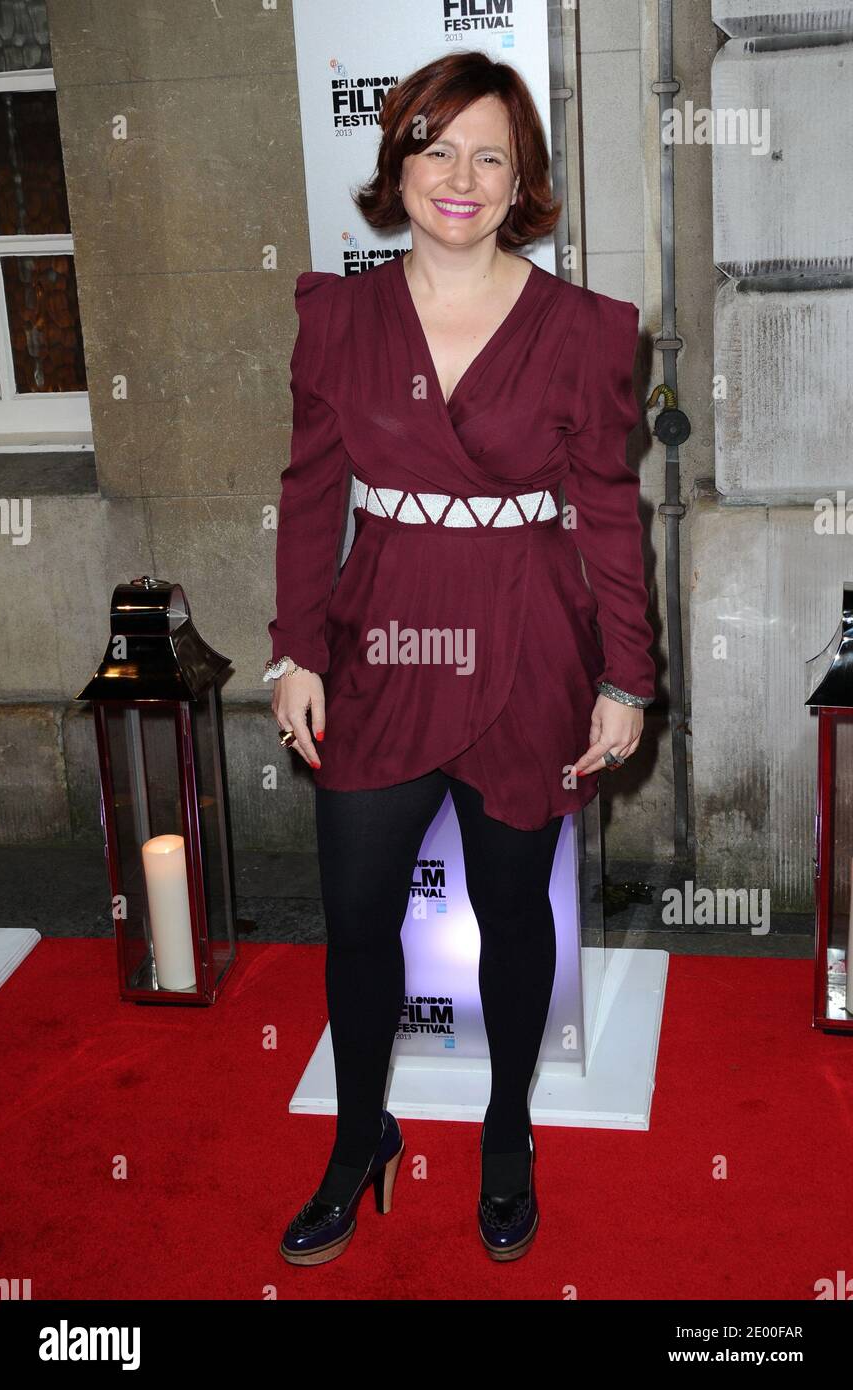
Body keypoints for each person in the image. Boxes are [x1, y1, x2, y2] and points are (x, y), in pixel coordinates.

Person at [265, 50, 655, 1266]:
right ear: (397, 163)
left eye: (493, 154)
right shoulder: (338, 316)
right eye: (436, 147)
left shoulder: (587, 332)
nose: (462, 176)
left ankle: (504, 1130)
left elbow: (608, 514)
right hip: (380, 640)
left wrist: (627, 675)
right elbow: (309, 491)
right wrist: (293, 651)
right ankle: (359, 1135)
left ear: (523, 179)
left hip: (532, 642)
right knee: (359, 914)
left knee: (511, 911)